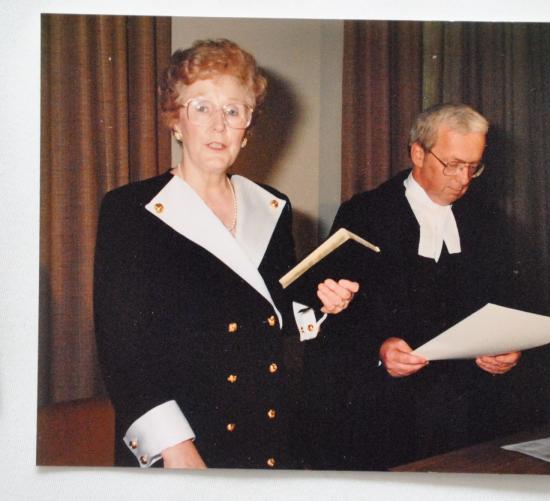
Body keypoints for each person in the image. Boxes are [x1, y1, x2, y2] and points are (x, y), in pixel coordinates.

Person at [94, 39, 358, 469]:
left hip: (266, 436)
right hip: (183, 442)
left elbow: (273, 315)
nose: (218, 125)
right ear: (175, 121)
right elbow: (122, 349)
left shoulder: (271, 205)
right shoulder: (132, 210)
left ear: (247, 129)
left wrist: (323, 304)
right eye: (202, 107)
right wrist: (175, 448)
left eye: (233, 111)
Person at [305, 104, 522, 470]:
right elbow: (331, 317)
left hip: (465, 412)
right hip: (386, 411)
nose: (464, 178)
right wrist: (379, 350)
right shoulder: (366, 214)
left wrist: (509, 346)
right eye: (452, 164)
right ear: (418, 153)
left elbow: (508, 300)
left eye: (474, 166)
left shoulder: (488, 219)